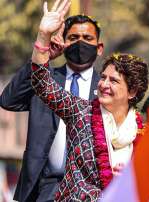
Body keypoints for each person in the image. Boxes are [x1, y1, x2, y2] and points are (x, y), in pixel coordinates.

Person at [30, 0, 149, 200]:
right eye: (103, 77)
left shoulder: (143, 132)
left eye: (113, 81)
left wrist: (132, 177)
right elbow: (42, 83)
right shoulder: (80, 112)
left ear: (132, 91)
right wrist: (43, 36)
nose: (103, 84)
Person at [0, 1, 104, 201]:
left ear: (99, 48)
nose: (80, 42)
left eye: (87, 38)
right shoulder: (45, 80)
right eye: (73, 37)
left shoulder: (107, 89)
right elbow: (8, 100)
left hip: (91, 189)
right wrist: (43, 52)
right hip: (43, 188)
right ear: (64, 43)